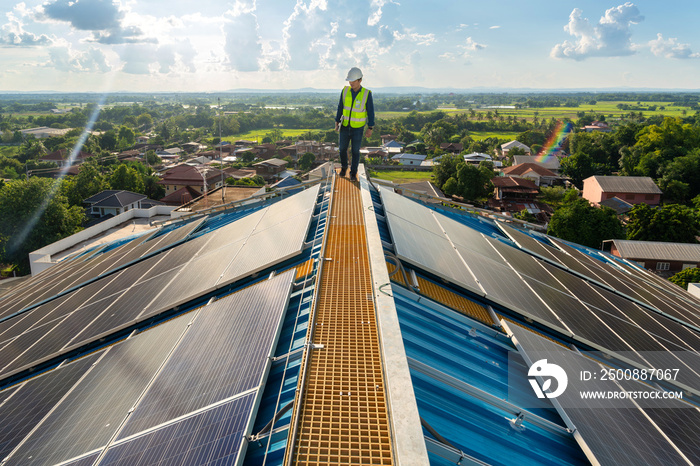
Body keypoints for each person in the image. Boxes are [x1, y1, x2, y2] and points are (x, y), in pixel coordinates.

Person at [335, 67, 375, 181]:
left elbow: (371, 112)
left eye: (353, 81)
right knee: (342, 149)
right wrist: (337, 121)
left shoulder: (367, 94)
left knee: (355, 151)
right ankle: (343, 168)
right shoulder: (345, 91)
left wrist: (370, 127)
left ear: (360, 80)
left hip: (358, 128)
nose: (351, 83)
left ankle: (353, 173)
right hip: (344, 126)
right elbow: (340, 107)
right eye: (350, 81)